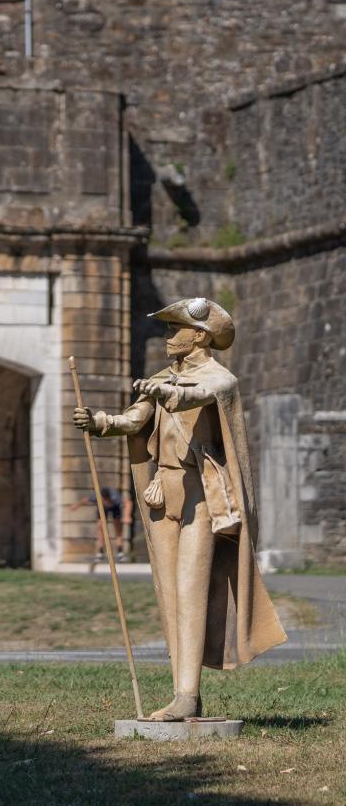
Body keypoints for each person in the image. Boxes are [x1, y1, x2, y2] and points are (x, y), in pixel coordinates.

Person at [74, 297, 286, 721]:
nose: (168, 337)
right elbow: (135, 420)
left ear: (200, 336)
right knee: (169, 594)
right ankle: (181, 692)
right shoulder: (162, 378)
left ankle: (188, 695)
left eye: (176, 330)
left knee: (190, 592)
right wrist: (100, 422)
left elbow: (194, 397)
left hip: (200, 497)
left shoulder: (220, 379)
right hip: (162, 491)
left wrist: (165, 391)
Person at [70, 487, 130, 563]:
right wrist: (76, 505)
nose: (106, 502)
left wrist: (127, 516)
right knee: (100, 528)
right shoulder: (97, 496)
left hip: (115, 508)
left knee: (118, 529)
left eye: (107, 501)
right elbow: (85, 500)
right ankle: (100, 552)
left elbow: (128, 503)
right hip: (102, 509)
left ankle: (120, 552)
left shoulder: (115, 497)